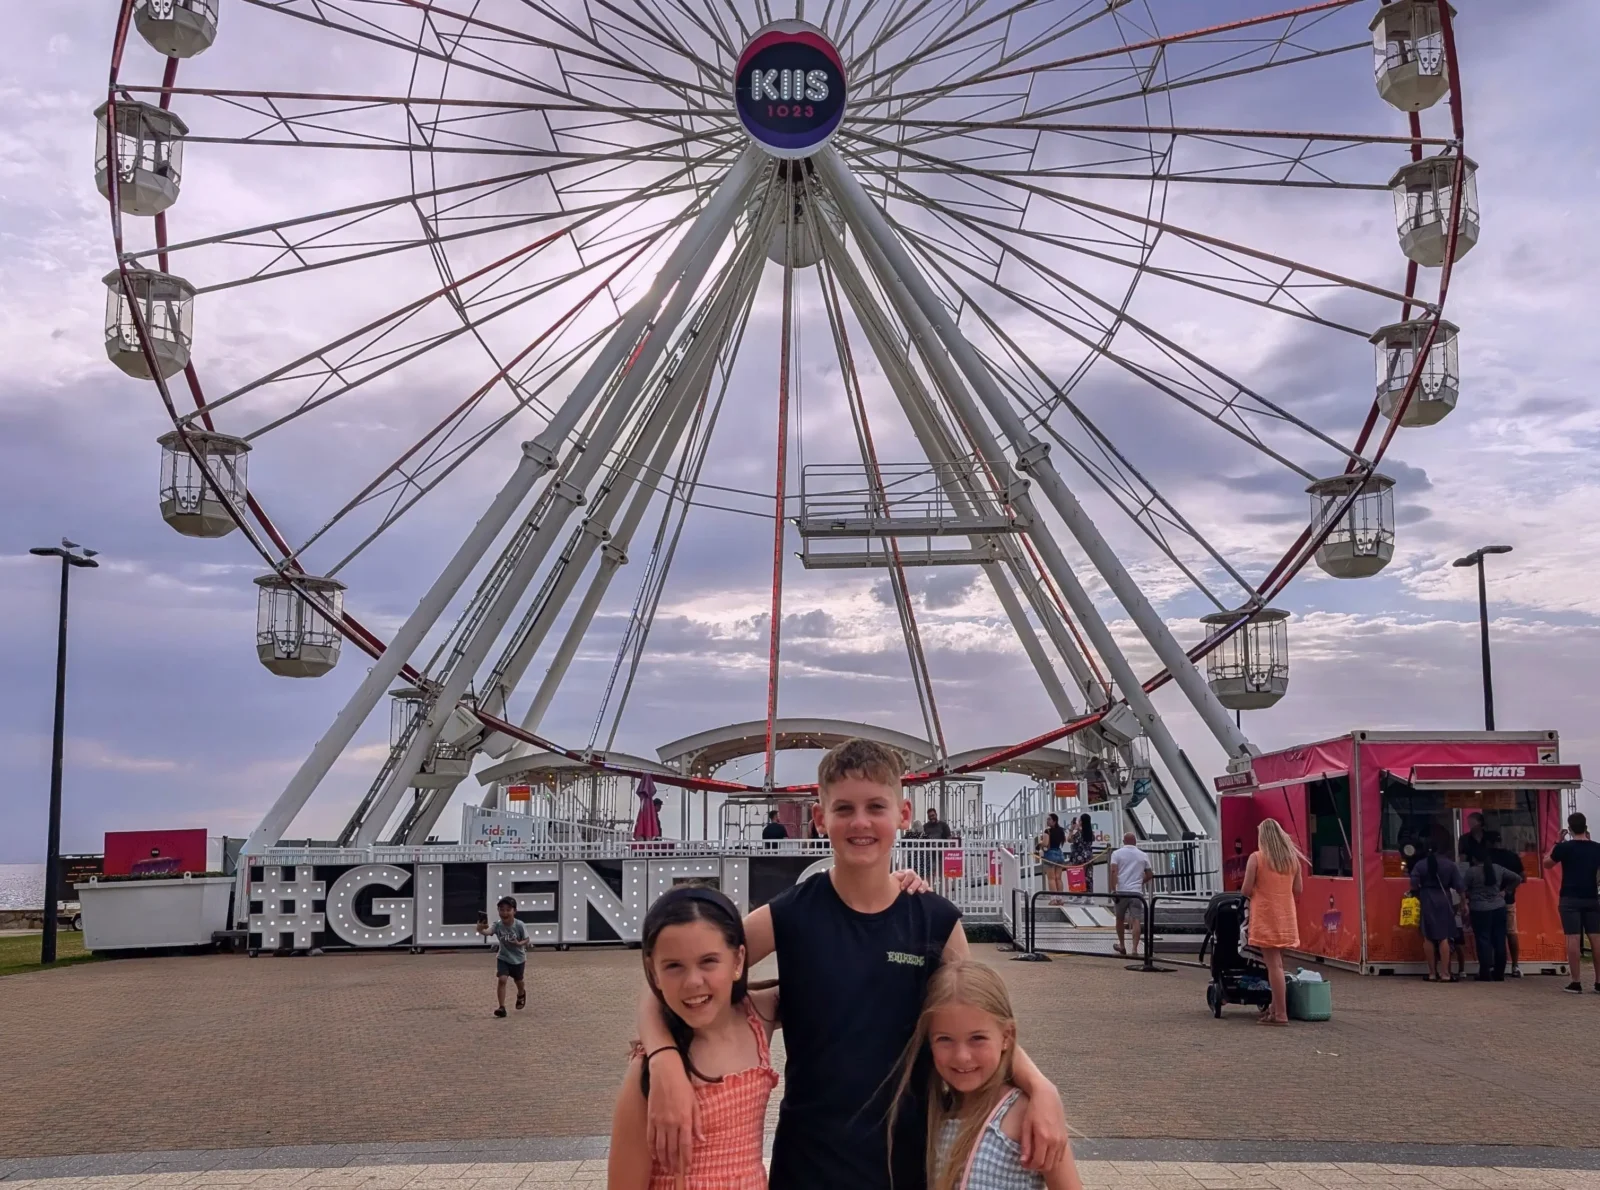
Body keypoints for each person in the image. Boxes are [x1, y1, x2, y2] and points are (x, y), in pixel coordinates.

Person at [639, 738, 1068, 1190]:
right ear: (820, 818)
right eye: (843, 809)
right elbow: (672, 980)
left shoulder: (935, 923)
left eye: (875, 807)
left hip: (907, 1168)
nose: (860, 822)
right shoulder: (790, 915)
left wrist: (1041, 1088)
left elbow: (984, 1024)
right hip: (807, 1170)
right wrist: (664, 1061)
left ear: (903, 814)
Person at [608, 887, 779, 1190]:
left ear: (738, 960)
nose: (693, 981)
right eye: (674, 966)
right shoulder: (647, 1075)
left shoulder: (757, 1019)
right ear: (653, 972)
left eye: (709, 961)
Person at [889, 961, 1084, 1190]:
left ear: (1006, 1036)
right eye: (945, 1039)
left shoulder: (1030, 1117)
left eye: (977, 1038)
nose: (962, 1056)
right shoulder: (935, 1114)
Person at [1242, 819, 1304, 1025]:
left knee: (1273, 967)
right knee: (1278, 964)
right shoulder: (1292, 860)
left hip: (1266, 917)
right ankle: (1274, 1009)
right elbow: (1298, 889)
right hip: (1286, 917)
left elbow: (1245, 889)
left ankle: (1280, 1014)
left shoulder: (1257, 858)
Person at [1545, 811, 1600, 994]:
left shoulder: (1564, 847)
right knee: (1596, 938)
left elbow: (1547, 863)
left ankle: (1576, 982)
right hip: (1591, 897)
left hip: (1569, 897)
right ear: (1586, 827)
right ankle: (1599, 982)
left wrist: (1557, 842)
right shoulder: (1597, 848)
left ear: (1569, 829)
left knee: (1573, 938)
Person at [1462, 832, 1521, 982]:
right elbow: (1517, 878)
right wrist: (1505, 891)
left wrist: (1467, 900)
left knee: (1483, 940)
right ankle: (1499, 973)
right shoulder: (1497, 868)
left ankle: (1485, 972)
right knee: (1499, 940)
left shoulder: (1471, 872)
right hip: (1499, 908)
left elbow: (1463, 888)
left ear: (1474, 858)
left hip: (1479, 909)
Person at [1410, 840, 1464, 983]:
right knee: (1444, 937)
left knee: (1427, 936)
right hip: (1444, 899)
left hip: (1427, 899)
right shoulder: (1450, 865)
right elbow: (1460, 886)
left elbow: (1414, 884)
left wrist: (1418, 893)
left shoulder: (1420, 864)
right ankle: (1445, 974)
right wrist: (1464, 903)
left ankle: (1432, 974)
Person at [475, 895, 530, 1018]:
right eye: (501, 910)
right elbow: (488, 932)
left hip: (518, 959)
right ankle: (502, 1007)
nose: (504, 913)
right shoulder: (498, 925)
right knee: (502, 979)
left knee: (518, 980)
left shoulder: (519, 925)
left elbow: (527, 940)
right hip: (503, 957)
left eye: (508, 910)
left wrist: (518, 943)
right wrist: (480, 929)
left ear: (514, 911)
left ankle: (521, 993)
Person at [1485, 832, 1527, 978]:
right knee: (1511, 932)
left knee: (1490, 933)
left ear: (1488, 843)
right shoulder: (1512, 856)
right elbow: (1523, 878)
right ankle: (1515, 966)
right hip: (1508, 899)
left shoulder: (1486, 857)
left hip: (1488, 901)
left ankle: (1491, 966)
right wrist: (1508, 889)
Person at [1109, 832, 1152, 958]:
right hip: (1136, 892)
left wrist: (1113, 889)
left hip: (1121, 891)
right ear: (1135, 842)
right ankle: (1134, 949)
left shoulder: (1116, 853)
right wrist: (1139, 882)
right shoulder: (1143, 855)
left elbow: (1113, 871)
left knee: (1119, 919)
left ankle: (1122, 945)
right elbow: (1150, 874)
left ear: (1123, 841)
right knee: (1136, 919)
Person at [1038, 813, 1068, 896]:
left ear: (1054, 821)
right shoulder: (1061, 831)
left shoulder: (1047, 831)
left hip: (1050, 854)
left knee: (1051, 878)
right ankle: (1060, 898)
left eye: (1049, 819)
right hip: (1059, 853)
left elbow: (1045, 843)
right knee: (1058, 878)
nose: (1047, 821)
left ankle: (1054, 898)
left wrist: (1040, 843)